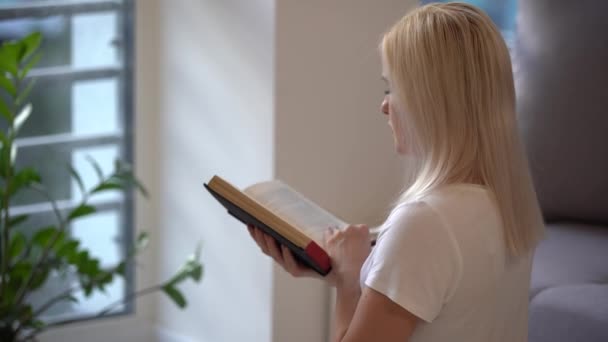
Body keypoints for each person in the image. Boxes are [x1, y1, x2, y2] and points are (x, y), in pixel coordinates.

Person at [248, 2, 545, 341]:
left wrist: (348, 283)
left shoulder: (424, 223)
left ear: (431, 100)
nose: (384, 105)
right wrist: (358, 274)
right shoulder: (509, 205)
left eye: (393, 88)